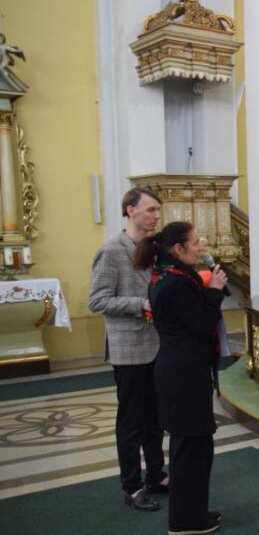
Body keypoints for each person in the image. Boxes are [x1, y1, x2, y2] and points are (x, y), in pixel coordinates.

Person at [133, 221, 227, 535]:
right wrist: (214, 292)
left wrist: (210, 291)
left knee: (193, 445)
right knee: (191, 447)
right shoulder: (176, 283)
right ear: (178, 249)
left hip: (180, 368)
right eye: (196, 242)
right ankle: (186, 521)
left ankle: (191, 512)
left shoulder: (167, 275)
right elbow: (201, 324)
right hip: (184, 372)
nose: (201, 247)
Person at [88, 187, 168, 512]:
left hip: (156, 345)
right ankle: (132, 486)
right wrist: (141, 304)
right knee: (131, 421)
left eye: (158, 210)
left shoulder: (154, 250)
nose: (156, 216)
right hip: (129, 348)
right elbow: (97, 301)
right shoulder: (111, 252)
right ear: (130, 210)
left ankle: (156, 475)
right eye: (150, 209)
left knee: (155, 419)